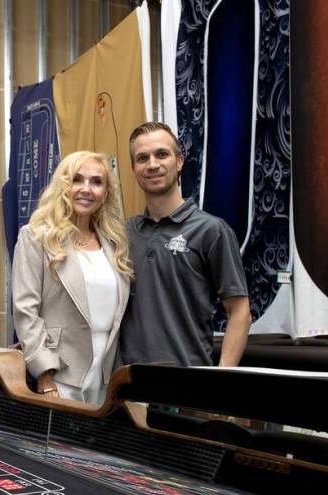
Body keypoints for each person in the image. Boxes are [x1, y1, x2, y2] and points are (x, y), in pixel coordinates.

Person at [119, 121, 251, 367]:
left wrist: (222, 379)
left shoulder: (211, 231)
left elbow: (240, 312)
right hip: (127, 387)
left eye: (162, 154)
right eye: (142, 158)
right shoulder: (123, 233)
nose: (152, 165)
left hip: (186, 387)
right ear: (133, 168)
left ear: (179, 161)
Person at [13, 151, 134, 405]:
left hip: (105, 375)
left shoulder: (115, 244)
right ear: (63, 186)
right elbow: (26, 311)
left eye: (96, 182)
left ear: (105, 194)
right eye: (77, 180)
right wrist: (45, 379)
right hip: (60, 375)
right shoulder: (36, 237)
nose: (86, 189)